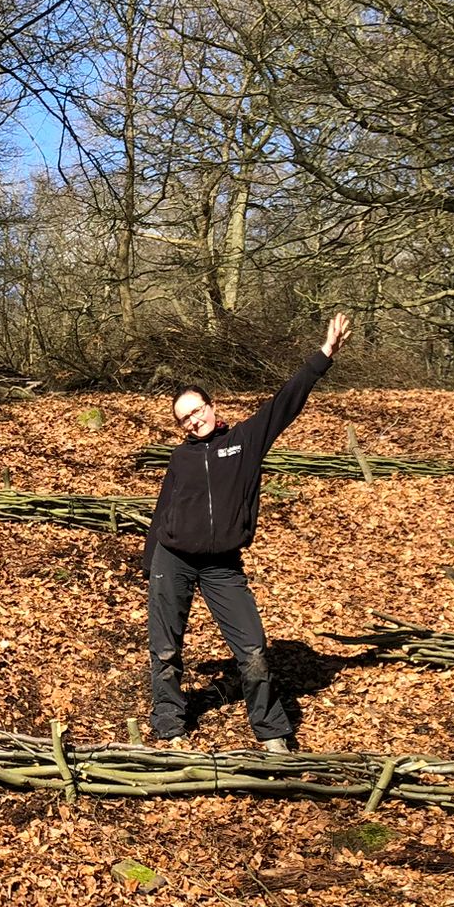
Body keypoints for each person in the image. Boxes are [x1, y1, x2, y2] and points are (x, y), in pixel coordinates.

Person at [144, 312, 354, 751]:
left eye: (196, 411)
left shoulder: (244, 441)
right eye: (184, 419)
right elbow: (164, 510)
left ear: (211, 406)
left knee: (254, 649)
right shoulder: (180, 459)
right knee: (165, 650)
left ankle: (272, 731)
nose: (193, 421)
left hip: (222, 564)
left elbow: (286, 402)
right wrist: (151, 566)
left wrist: (324, 357)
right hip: (174, 560)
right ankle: (169, 721)